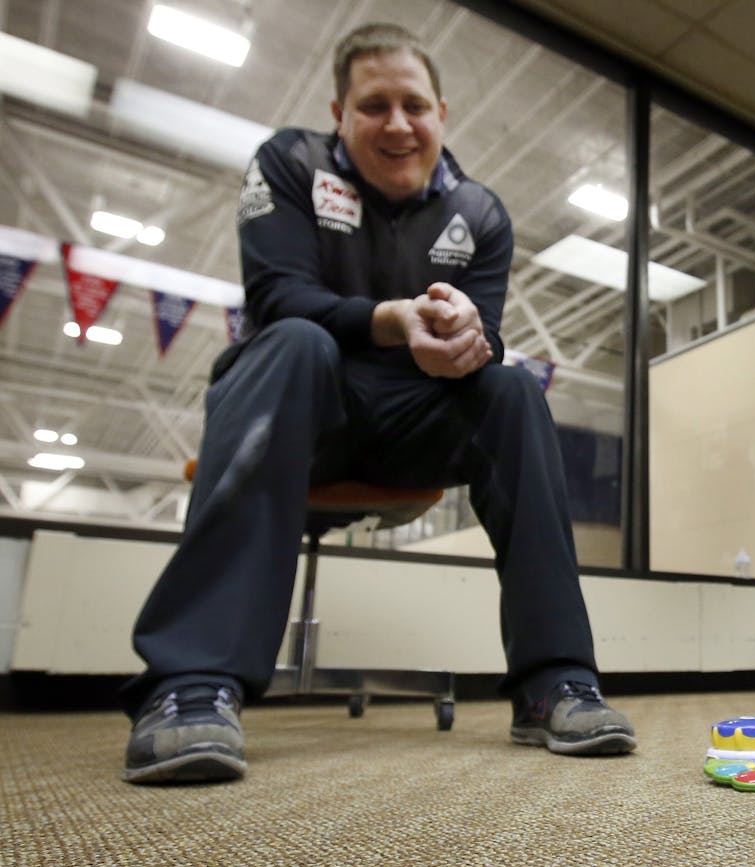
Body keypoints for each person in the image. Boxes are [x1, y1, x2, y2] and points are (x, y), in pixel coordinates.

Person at [120, 23, 635, 784]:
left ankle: (554, 681)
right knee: (298, 340)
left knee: (513, 389)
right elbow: (275, 294)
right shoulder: (290, 163)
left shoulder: (480, 213)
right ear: (339, 113)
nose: (398, 124)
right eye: (375, 106)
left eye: (414, 105)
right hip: (300, 405)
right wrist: (389, 319)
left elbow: (481, 335)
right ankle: (190, 685)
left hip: (410, 421)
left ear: (442, 115)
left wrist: (467, 336)